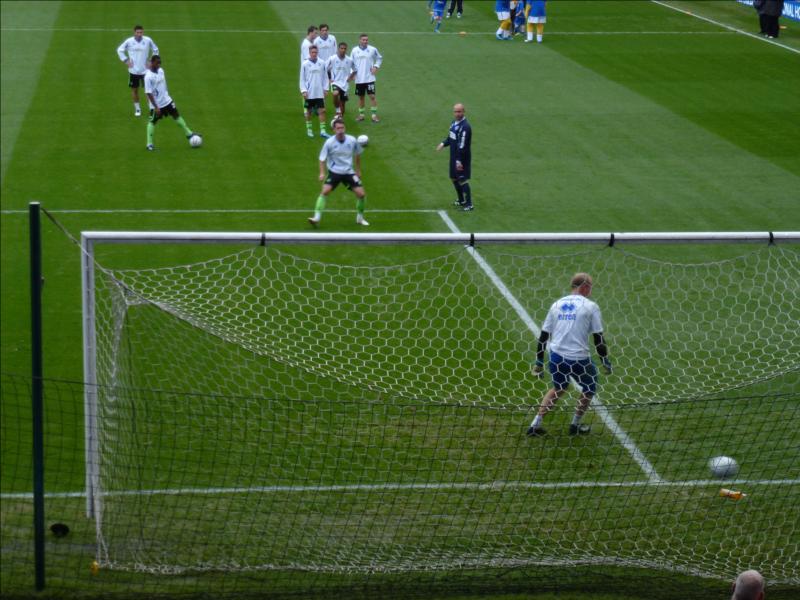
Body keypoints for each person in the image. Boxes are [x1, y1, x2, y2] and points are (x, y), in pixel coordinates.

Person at [527, 273, 611, 437]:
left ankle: (534, 425)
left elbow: (544, 335)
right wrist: (605, 360)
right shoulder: (590, 306)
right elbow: (598, 338)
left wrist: (538, 360)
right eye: (591, 287)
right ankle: (574, 425)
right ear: (585, 286)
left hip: (556, 356)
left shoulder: (556, 304)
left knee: (558, 388)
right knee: (589, 387)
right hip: (580, 359)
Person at [308, 119, 369, 227]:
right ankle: (316, 218)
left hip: (349, 172)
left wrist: (358, 170)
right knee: (325, 191)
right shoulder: (329, 142)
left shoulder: (352, 140)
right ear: (334, 130)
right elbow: (322, 159)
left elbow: (357, 154)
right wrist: (322, 173)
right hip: (334, 172)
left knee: (361, 194)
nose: (340, 130)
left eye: (342, 128)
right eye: (338, 128)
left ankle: (360, 218)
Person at [144, 55, 198, 151]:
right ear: (152, 63)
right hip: (157, 105)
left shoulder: (161, 71)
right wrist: (156, 107)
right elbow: (148, 92)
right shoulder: (148, 77)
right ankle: (149, 144)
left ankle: (189, 134)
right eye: (157, 63)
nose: (159, 64)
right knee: (152, 122)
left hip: (167, 100)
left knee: (176, 115)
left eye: (160, 62)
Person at [436, 103, 473, 211]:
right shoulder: (453, 123)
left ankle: (469, 204)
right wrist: (443, 144)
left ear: (463, 112)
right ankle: (461, 200)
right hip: (454, 157)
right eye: (455, 111)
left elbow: (463, 146)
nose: (457, 114)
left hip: (461, 158)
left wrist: (459, 160)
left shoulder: (465, 127)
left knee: (462, 179)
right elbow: (450, 138)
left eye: (459, 111)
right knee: (453, 178)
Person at [116, 25, 159, 117]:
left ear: (143, 32)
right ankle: (138, 109)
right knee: (135, 90)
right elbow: (120, 50)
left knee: (148, 91)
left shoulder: (148, 40)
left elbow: (156, 50)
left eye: (141, 32)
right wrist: (126, 60)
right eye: (138, 32)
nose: (139, 34)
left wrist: (151, 61)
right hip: (133, 71)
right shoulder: (129, 41)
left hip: (146, 71)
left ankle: (151, 110)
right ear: (134, 32)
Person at [350, 34, 382, 123]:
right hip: (359, 78)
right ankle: (361, 115)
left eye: (366, 40)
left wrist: (376, 67)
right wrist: (351, 74)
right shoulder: (354, 50)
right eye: (363, 40)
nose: (365, 41)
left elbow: (379, 58)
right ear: (359, 40)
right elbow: (351, 62)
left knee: (372, 96)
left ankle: (374, 115)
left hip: (369, 78)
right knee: (361, 97)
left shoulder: (372, 49)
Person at [300, 45, 330, 138]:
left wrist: (326, 89)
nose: (314, 54)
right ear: (309, 53)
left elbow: (325, 77)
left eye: (316, 52)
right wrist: (304, 90)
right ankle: (309, 130)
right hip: (309, 93)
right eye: (312, 52)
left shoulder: (322, 63)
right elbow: (302, 79)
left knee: (322, 111)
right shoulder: (305, 64)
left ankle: (323, 131)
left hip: (319, 92)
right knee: (308, 112)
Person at [327, 42, 355, 118]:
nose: (343, 50)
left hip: (345, 84)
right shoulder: (332, 58)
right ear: (338, 49)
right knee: (335, 93)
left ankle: (340, 118)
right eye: (341, 48)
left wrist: (351, 77)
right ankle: (337, 110)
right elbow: (325, 69)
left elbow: (355, 70)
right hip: (335, 82)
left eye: (345, 49)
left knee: (343, 103)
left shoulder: (349, 60)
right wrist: (329, 79)